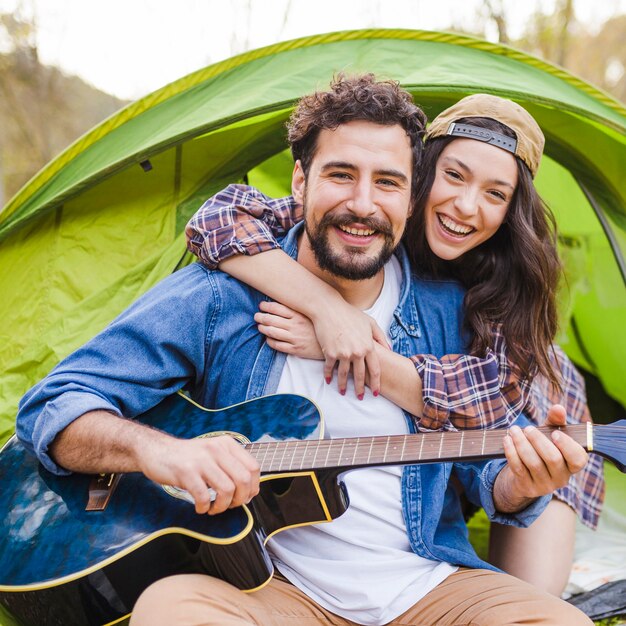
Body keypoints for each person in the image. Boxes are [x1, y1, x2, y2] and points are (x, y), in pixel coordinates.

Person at [16, 74, 592, 626]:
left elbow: (488, 467)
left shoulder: (453, 309)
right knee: (171, 610)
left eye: (387, 182)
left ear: (411, 195)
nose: (363, 204)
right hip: (275, 591)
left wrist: (522, 485)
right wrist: (159, 453)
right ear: (299, 182)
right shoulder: (223, 296)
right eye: (341, 174)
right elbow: (54, 406)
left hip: (424, 586)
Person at [184, 88, 605, 595]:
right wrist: (329, 310)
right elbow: (216, 220)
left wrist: (347, 348)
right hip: (424, 398)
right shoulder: (368, 214)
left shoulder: (507, 276)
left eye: (496, 194)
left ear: (513, 208)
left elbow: (491, 403)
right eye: (454, 175)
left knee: (532, 563)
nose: (466, 206)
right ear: (419, 173)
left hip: (526, 394)